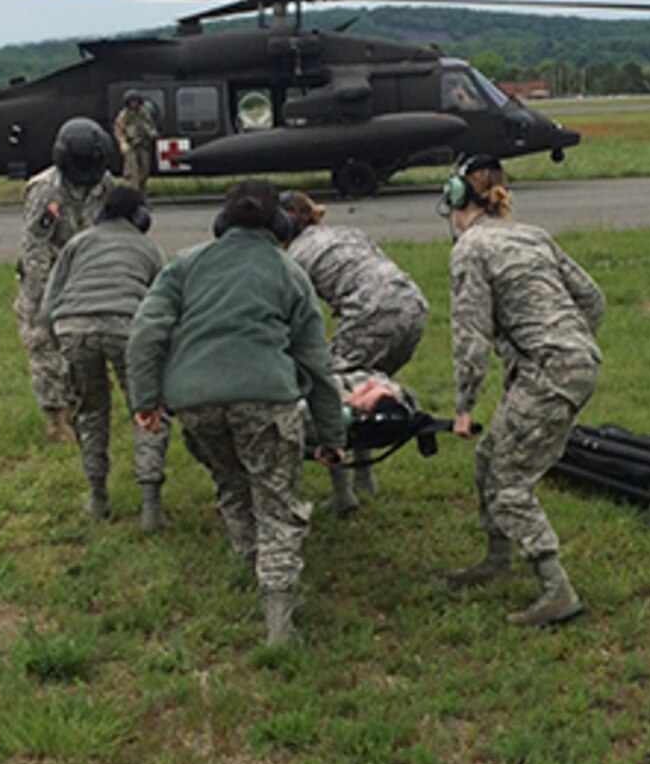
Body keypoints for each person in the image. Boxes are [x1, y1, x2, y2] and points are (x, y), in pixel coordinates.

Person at [127, 180, 346, 646]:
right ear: (280, 225)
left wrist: (145, 401)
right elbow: (318, 365)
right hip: (265, 400)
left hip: (195, 404)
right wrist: (331, 435)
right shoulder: (289, 272)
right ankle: (280, 622)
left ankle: (254, 571)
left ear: (222, 223)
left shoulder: (185, 264)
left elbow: (146, 332)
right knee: (277, 505)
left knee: (231, 483)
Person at [441, 156, 603, 627]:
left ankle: (557, 591)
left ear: (455, 198)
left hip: (548, 372)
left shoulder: (470, 250)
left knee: (508, 483)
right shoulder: (532, 234)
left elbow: (469, 339)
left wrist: (464, 408)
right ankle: (497, 557)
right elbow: (593, 298)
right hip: (574, 362)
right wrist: (572, 342)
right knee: (490, 456)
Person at [281, 190, 431, 515]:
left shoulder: (295, 257)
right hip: (414, 306)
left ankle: (344, 494)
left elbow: (293, 317)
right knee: (365, 389)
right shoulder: (346, 233)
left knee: (332, 396)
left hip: (371, 313)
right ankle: (365, 478)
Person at [40, 185, 171, 530]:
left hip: (72, 327)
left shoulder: (78, 243)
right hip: (127, 327)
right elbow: (163, 306)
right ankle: (151, 508)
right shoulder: (149, 248)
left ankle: (97, 496)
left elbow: (48, 306)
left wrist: (63, 347)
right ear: (141, 218)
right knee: (147, 411)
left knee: (91, 411)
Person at [19, 118, 118, 443]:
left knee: (83, 346)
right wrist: (40, 299)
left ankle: (83, 412)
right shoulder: (46, 189)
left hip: (88, 276)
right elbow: (35, 246)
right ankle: (55, 419)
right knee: (45, 345)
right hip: (51, 272)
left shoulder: (104, 183)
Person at [112, 93, 159, 192]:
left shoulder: (144, 114)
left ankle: (141, 196)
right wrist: (123, 143)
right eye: (132, 102)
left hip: (143, 146)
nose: (134, 104)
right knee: (131, 173)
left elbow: (151, 126)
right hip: (131, 146)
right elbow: (118, 130)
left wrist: (152, 133)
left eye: (136, 101)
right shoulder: (124, 115)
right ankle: (132, 196)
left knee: (145, 172)